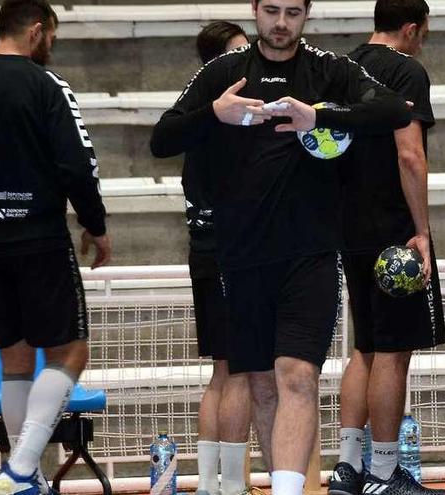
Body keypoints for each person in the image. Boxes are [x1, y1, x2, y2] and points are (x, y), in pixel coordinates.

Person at [150, 2, 410, 495]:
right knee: (262, 385)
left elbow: (396, 109)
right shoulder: (224, 70)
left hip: (309, 253)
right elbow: (162, 138)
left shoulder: (327, 68)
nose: (282, 22)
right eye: (272, 9)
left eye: (293, 11)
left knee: (297, 375)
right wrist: (214, 114)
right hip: (241, 258)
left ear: (307, 13)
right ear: (255, 10)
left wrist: (321, 114)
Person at [0, 1, 112, 494]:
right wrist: (96, 225)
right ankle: (20, 469)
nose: (51, 47)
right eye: (52, 38)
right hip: (38, 237)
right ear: (38, 31)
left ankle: (24, 475)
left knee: (15, 357)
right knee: (70, 351)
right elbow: (77, 165)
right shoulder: (46, 85)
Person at [330, 1, 445, 495]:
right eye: (421, 34)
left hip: (348, 227)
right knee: (394, 353)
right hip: (392, 229)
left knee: (366, 348)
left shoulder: (339, 67)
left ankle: (348, 468)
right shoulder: (406, 71)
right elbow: (410, 154)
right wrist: (422, 231)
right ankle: (382, 473)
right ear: (410, 28)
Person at [187, 20, 258, 495]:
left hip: (205, 247)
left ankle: (213, 485)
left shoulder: (194, 113)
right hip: (228, 250)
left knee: (221, 369)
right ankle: (230, 486)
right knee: (241, 370)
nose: (246, 61)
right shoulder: (223, 120)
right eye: (238, 53)